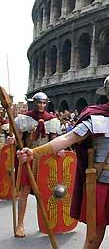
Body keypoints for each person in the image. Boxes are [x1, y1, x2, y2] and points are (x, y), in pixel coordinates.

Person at [17, 73, 109, 248]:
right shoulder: (95, 117)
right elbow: (67, 139)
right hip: (102, 182)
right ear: (106, 91)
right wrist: (34, 152)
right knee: (94, 236)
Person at [7, 92, 61, 238]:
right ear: (34, 103)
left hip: (44, 160)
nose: (41, 106)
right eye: (39, 103)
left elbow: (54, 141)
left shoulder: (52, 121)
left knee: (45, 192)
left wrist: (60, 151)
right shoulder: (23, 119)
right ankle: (20, 224)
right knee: (24, 191)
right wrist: (12, 142)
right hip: (28, 160)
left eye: (44, 103)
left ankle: (46, 222)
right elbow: (18, 141)